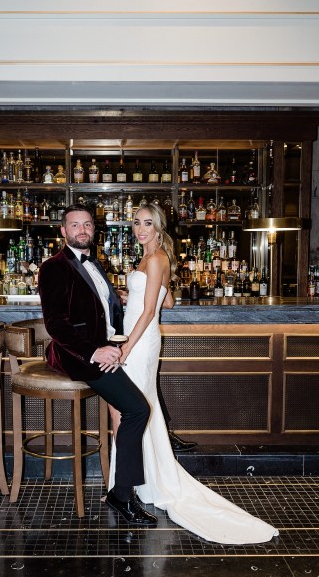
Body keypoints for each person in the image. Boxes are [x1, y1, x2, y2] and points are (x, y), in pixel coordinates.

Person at [108, 203, 279, 544]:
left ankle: (129, 485)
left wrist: (126, 346)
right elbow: (166, 303)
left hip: (139, 341)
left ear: (158, 227)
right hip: (139, 337)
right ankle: (132, 483)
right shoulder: (151, 258)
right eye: (137, 223)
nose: (141, 229)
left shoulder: (155, 259)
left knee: (132, 411)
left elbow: (147, 315)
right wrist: (135, 293)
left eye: (147, 224)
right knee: (139, 410)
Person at [38, 203, 157, 527]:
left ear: (94, 229)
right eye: (74, 225)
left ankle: (121, 490)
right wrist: (94, 352)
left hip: (107, 346)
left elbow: (100, 310)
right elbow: (57, 325)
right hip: (78, 356)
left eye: (87, 225)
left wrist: (118, 335)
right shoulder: (54, 267)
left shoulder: (94, 262)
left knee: (128, 411)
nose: (82, 230)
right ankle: (122, 496)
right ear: (63, 231)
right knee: (138, 410)